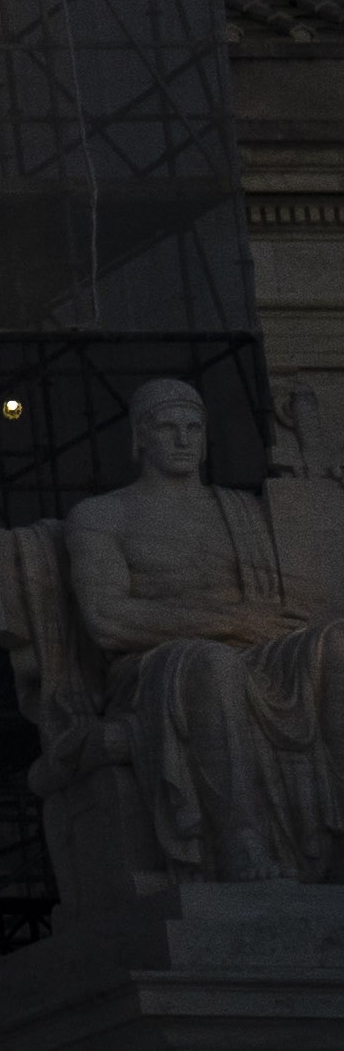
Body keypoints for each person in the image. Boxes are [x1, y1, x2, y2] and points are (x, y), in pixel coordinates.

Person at [63, 372, 344, 888]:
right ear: (140, 437)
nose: (183, 438)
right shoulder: (103, 515)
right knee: (210, 663)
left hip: (257, 651)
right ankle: (240, 838)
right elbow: (107, 621)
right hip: (158, 666)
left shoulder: (240, 510)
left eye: (193, 428)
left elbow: (291, 597)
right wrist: (230, 621)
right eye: (168, 427)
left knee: (339, 644)